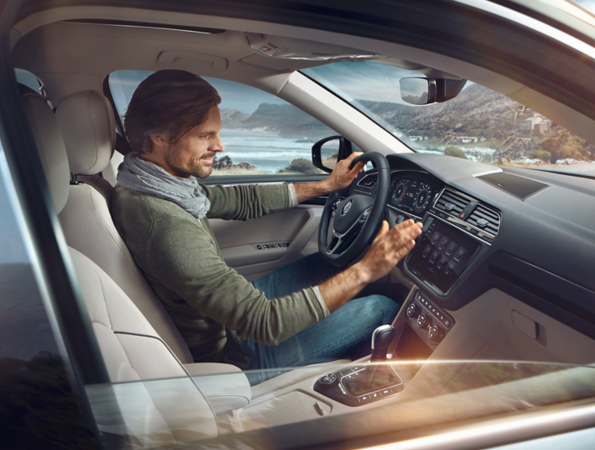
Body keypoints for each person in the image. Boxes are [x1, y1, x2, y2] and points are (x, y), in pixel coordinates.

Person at [110, 70, 422, 384]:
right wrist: (368, 269)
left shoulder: (150, 182)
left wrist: (326, 185)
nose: (219, 146)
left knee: (335, 261)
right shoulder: (166, 227)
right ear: (159, 137)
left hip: (226, 320)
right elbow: (265, 322)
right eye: (205, 135)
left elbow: (239, 199)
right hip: (235, 354)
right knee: (383, 306)